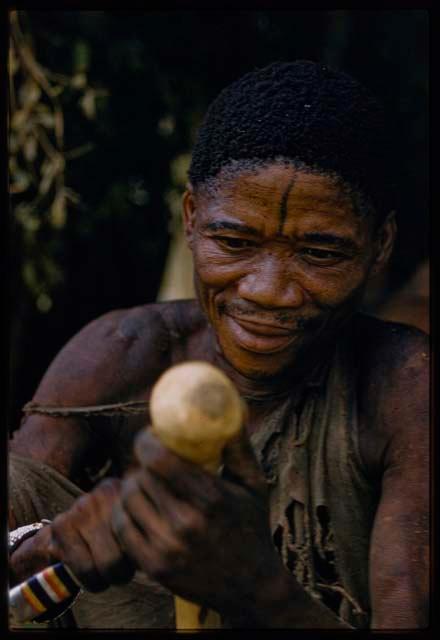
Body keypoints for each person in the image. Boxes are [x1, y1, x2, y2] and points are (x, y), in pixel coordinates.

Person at [8, 61, 429, 629]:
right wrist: (46, 547)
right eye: (233, 241)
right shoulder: (122, 353)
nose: (269, 292)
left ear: (380, 247)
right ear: (191, 218)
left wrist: (255, 588)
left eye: (320, 254)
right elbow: (23, 529)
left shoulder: (405, 389)